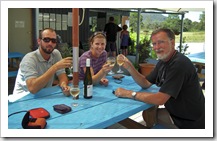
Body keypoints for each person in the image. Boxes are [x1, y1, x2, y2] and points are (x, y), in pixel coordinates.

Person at [114, 28, 205, 129]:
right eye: (154, 44)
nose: (156, 47)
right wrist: (130, 67)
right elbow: (145, 83)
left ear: (172, 42)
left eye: (161, 42)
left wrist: (129, 93)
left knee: (149, 115)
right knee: (148, 114)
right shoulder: (163, 61)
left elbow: (160, 99)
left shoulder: (179, 64)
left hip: (191, 122)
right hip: (178, 113)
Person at [9, 28, 72, 102]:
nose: (50, 43)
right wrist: (54, 67)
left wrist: (64, 85)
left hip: (44, 96)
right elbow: (32, 88)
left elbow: (62, 75)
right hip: (23, 99)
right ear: (39, 41)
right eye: (46, 40)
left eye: (53, 41)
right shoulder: (29, 59)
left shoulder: (56, 54)